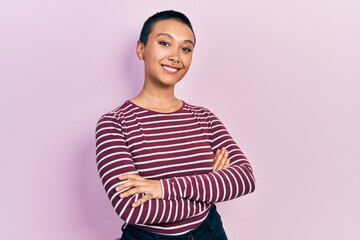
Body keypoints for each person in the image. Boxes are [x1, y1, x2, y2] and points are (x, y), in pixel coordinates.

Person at [95, 10, 255, 240]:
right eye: (164, 43)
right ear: (141, 49)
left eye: (186, 48)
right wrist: (209, 190)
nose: (175, 56)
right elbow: (132, 208)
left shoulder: (205, 117)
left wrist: (161, 188)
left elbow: (244, 178)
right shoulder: (114, 123)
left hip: (209, 232)